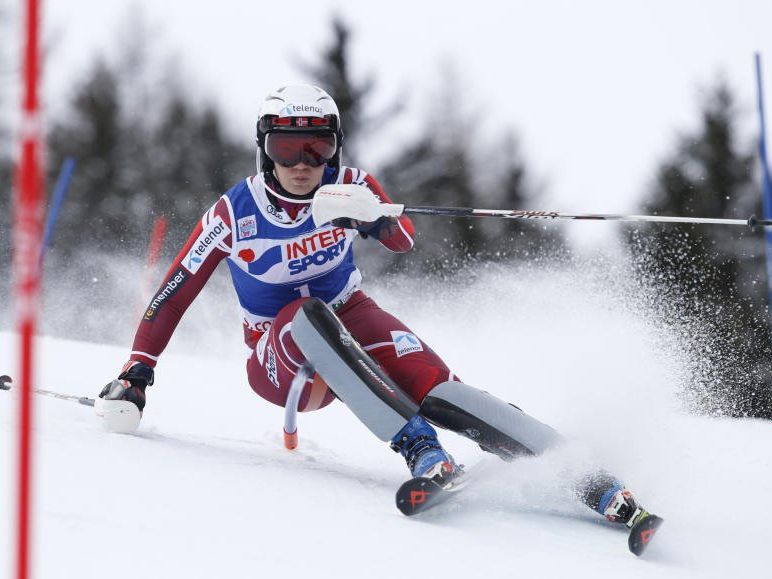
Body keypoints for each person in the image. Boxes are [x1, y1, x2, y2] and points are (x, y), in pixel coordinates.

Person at [98, 84, 651, 530]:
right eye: (286, 148)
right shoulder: (235, 212)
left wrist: (377, 221)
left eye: (317, 147)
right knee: (303, 312)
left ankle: (590, 479)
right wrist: (138, 371)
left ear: (334, 147)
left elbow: (404, 239)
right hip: (281, 357)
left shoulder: (352, 185)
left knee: (437, 386)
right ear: (264, 149)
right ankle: (423, 451)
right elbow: (174, 293)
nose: (302, 162)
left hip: (352, 314)